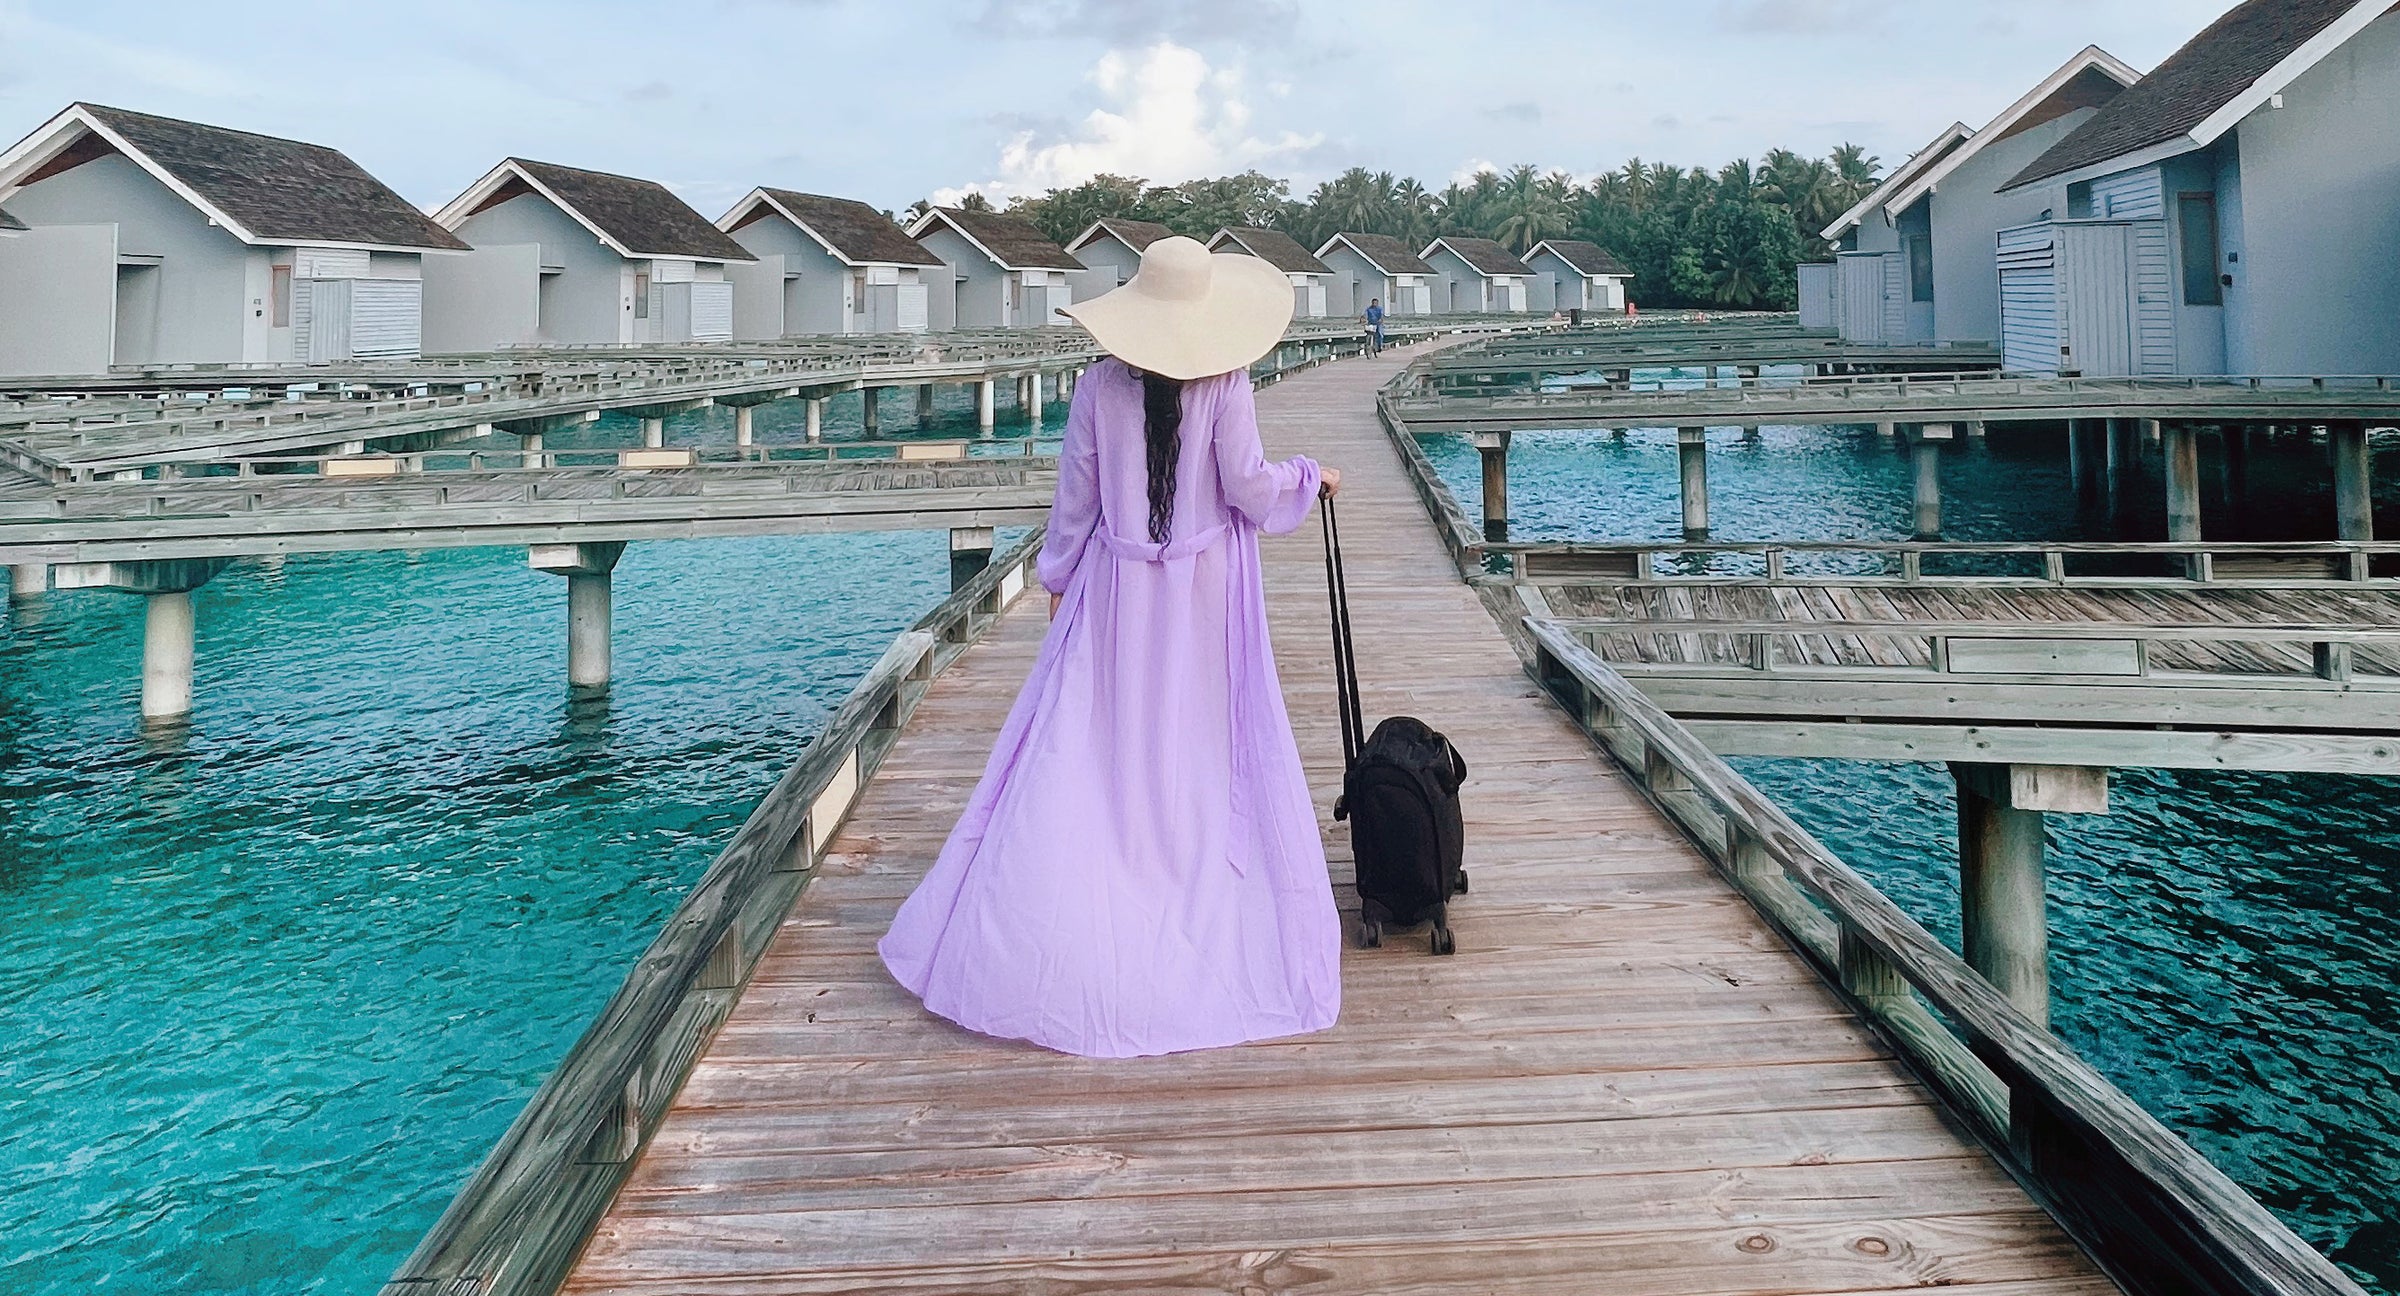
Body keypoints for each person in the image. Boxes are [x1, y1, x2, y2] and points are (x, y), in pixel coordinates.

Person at [879, 236, 1346, 1059]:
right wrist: (1308, 476)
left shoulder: (1099, 385)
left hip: (1118, 593)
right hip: (1200, 594)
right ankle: (1188, 893)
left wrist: (1058, 580)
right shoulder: (1225, 381)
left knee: (1099, 747)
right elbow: (1247, 487)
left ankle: (1081, 908)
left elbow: (1075, 503)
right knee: (1200, 743)